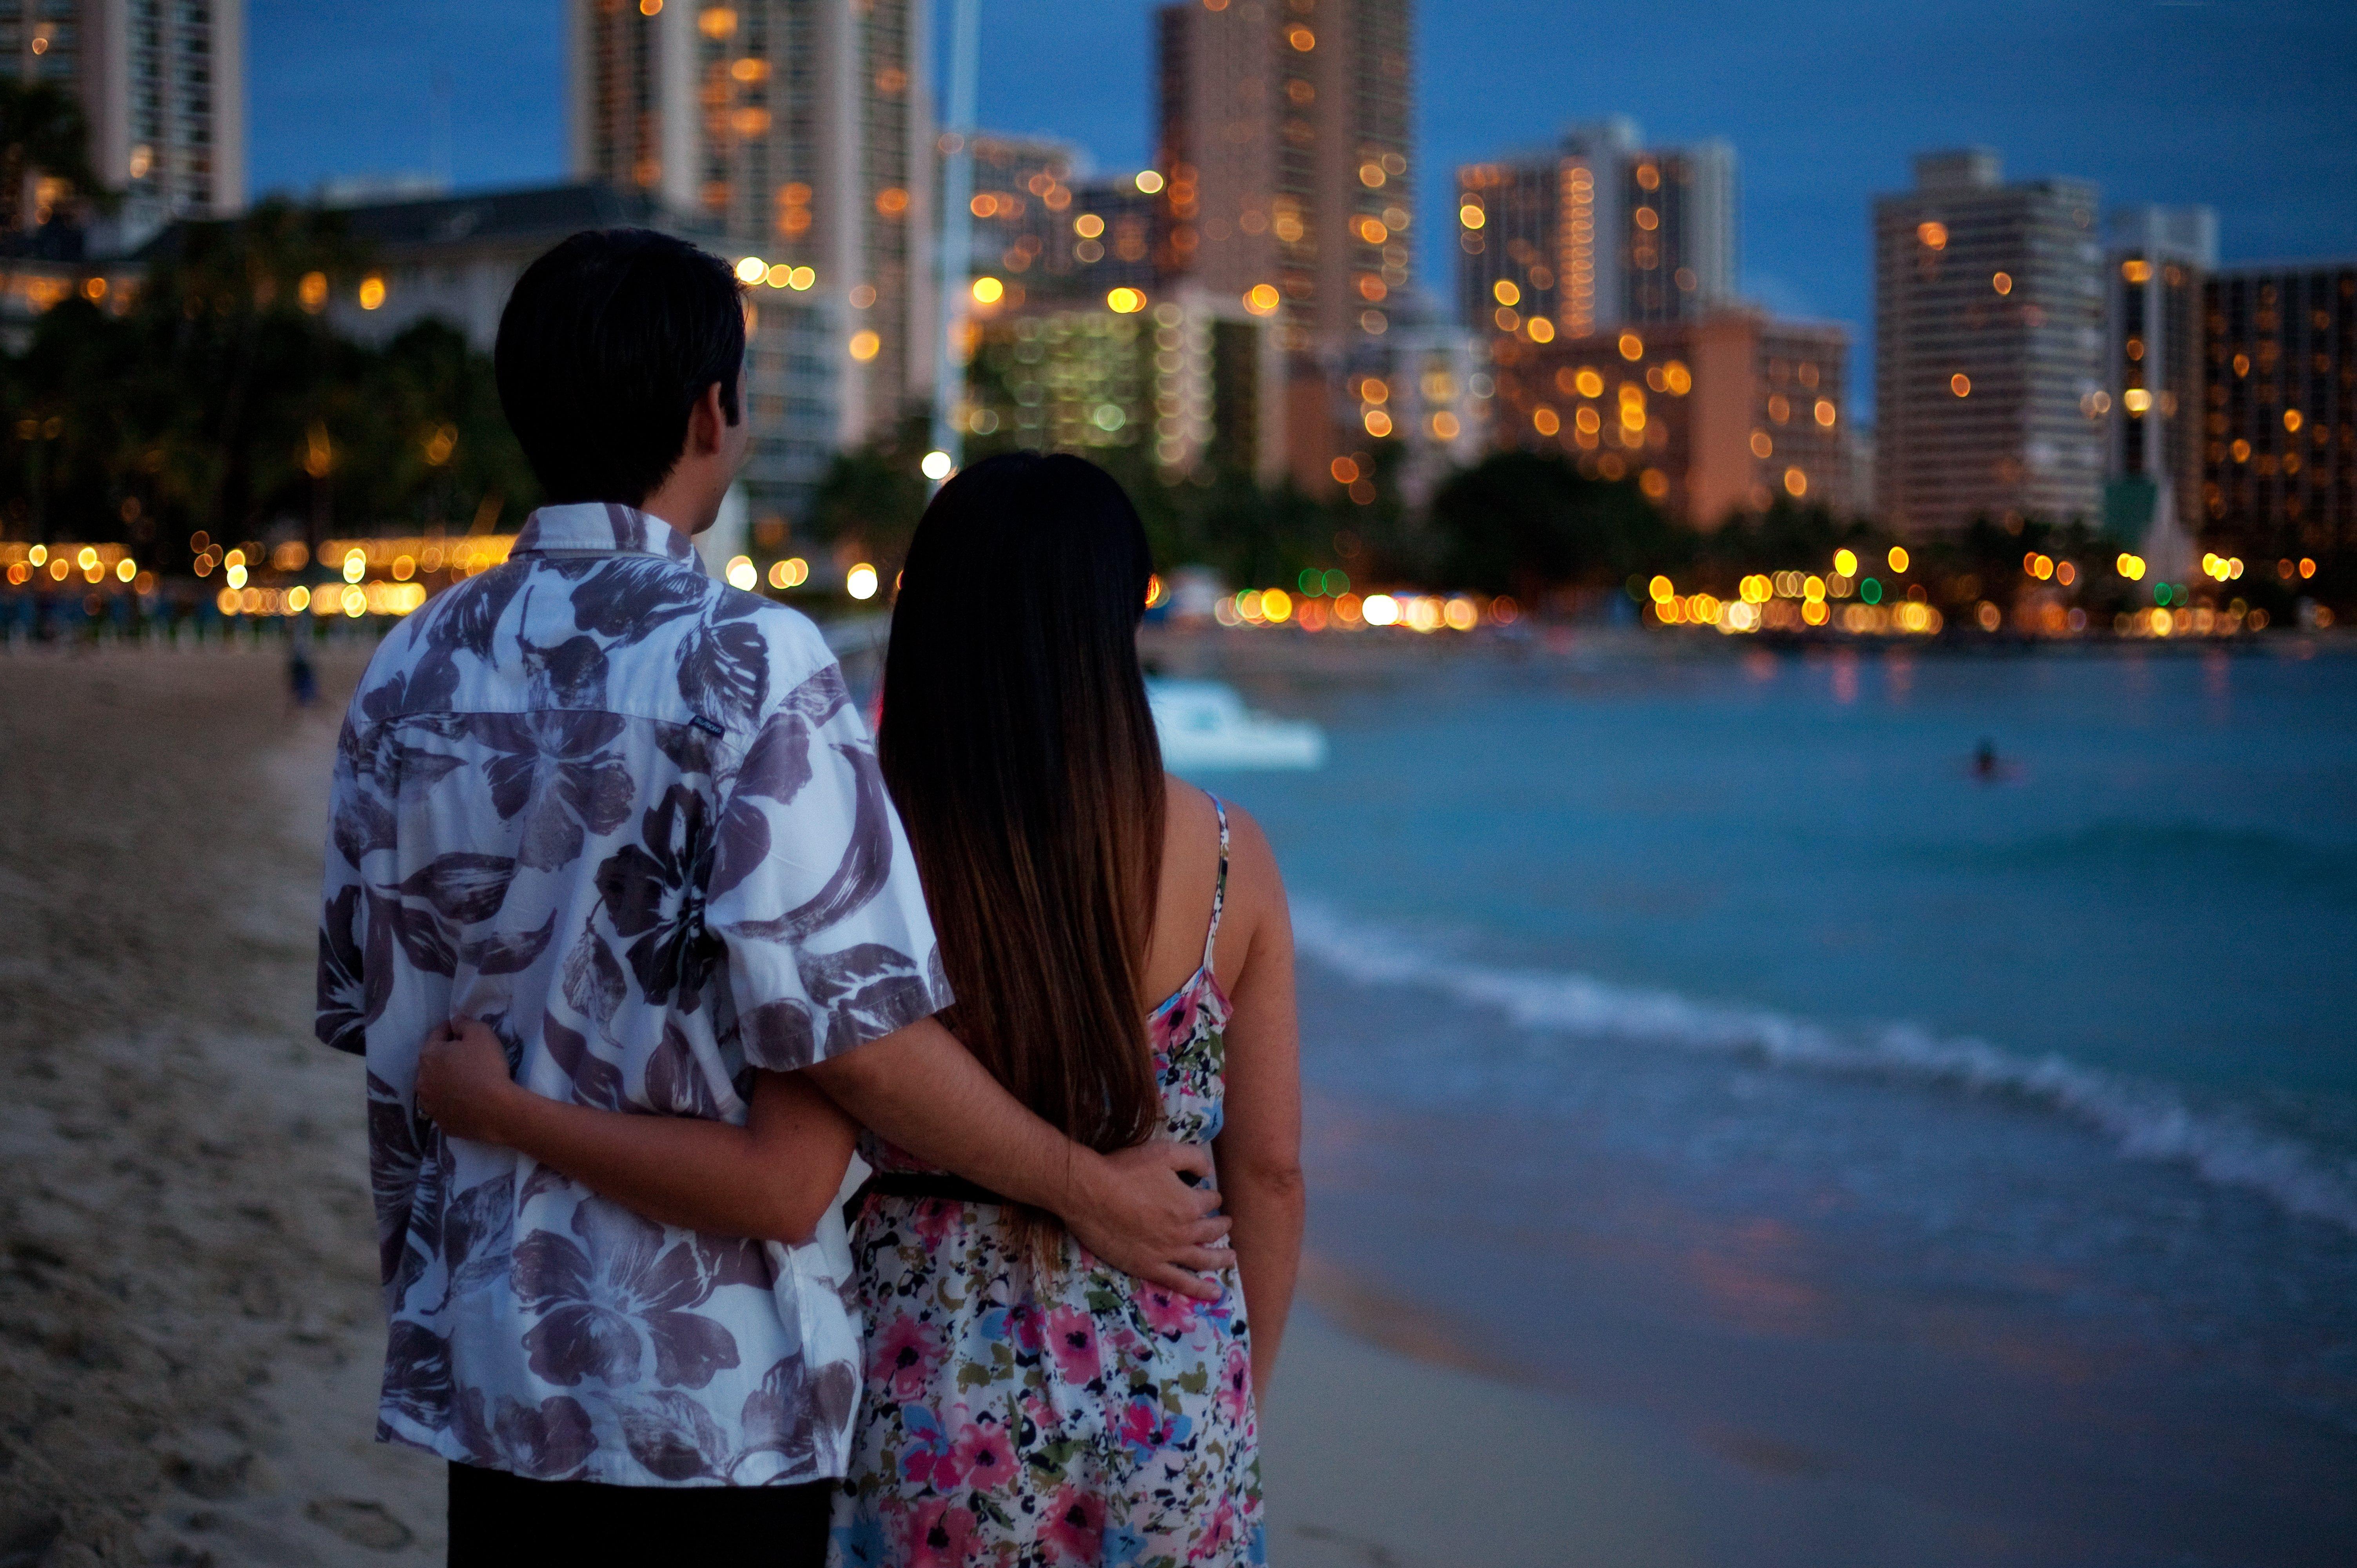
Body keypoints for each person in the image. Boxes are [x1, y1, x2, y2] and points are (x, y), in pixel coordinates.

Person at [316, 230, 1226, 1566]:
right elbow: (854, 1042)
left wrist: (511, 1101)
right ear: (712, 413)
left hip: (493, 1367)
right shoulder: (748, 661)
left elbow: (371, 1011)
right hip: (711, 1397)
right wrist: (1087, 1188)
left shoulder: (406, 669)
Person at [419, 452, 1306, 1565]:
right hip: (1172, 1373)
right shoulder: (1230, 858)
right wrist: (1231, 1389)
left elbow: (815, 1119)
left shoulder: (858, 840)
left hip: (928, 1384)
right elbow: (1267, 1174)